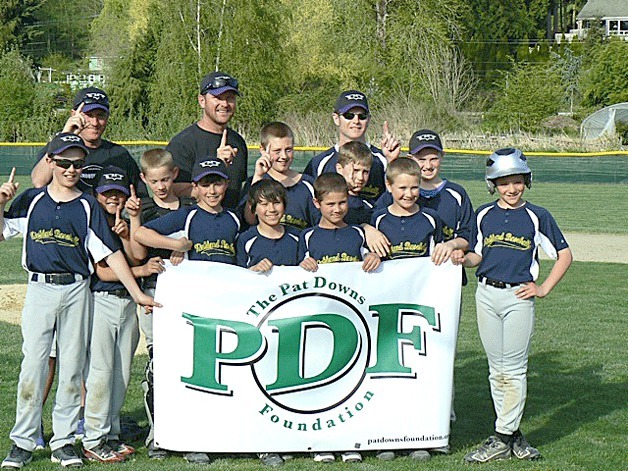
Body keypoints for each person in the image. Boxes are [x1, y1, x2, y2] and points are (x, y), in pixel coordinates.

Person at [0, 133, 158, 469]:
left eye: (78, 163)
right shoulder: (32, 200)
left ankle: (64, 442)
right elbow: (3, 232)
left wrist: (136, 292)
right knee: (33, 366)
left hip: (75, 289)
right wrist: (0, 204)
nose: (71, 169)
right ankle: (23, 442)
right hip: (40, 288)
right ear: (51, 162)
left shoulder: (87, 205)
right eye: (65, 162)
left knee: (72, 368)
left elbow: (112, 254)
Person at [452, 148, 572, 463]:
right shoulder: (482, 214)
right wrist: (463, 260)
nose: (511, 189)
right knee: (497, 371)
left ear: (526, 181)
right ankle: (513, 434)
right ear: (493, 184)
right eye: (504, 182)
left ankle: (501, 437)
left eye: (517, 181)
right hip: (486, 294)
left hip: (519, 297)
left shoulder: (537, 215)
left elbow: (564, 254)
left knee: (514, 369)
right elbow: (478, 255)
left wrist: (543, 287)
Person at [134, 156, 240, 465]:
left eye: (217, 182)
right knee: (177, 371)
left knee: (218, 373)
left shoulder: (233, 219)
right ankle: (164, 435)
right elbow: (141, 235)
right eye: (205, 183)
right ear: (194, 187)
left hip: (223, 308)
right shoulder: (188, 216)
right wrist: (174, 245)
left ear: (226, 184)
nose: (211, 190)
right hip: (189, 309)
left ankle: (214, 434)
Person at [81, 166, 165, 464]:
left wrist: (129, 231)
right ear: (98, 195)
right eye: (107, 193)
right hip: (101, 298)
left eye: (118, 192)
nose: (113, 198)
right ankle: (93, 437)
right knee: (101, 371)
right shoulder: (91, 220)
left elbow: (136, 255)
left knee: (121, 372)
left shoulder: (122, 220)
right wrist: (141, 273)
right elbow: (103, 269)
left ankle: (110, 433)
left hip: (128, 302)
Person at [297, 172, 380, 463]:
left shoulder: (357, 234)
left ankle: (349, 441)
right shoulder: (306, 237)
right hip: (317, 324)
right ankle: (323, 441)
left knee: (351, 382)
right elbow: (291, 277)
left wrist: (374, 259)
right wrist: (301, 265)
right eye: (330, 204)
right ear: (317, 203)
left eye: (343, 203)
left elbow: (372, 265)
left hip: (352, 323)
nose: (337, 209)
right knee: (320, 383)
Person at [125, 148, 194, 460]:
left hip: (189, 296)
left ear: (175, 175)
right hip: (155, 294)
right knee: (158, 366)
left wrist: (185, 248)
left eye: (166, 179)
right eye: (154, 180)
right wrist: (173, 244)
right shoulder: (146, 210)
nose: (161, 186)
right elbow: (139, 249)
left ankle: (189, 431)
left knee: (190, 365)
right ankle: (158, 433)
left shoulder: (190, 208)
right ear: (144, 179)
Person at [30, 87, 147, 197]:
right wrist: (65, 135)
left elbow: (141, 197)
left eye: (100, 116)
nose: (95, 122)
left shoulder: (119, 154)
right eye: (88, 115)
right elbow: (39, 182)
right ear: (74, 114)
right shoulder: (56, 149)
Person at [166, 71, 248, 209]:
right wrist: (217, 167)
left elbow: (237, 192)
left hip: (232, 223)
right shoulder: (182, 144)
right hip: (196, 225)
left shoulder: (237, 141)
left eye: (230, 98)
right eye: (217, 97)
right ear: (202, 101)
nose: (225, 104)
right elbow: (170, 192)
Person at [303, 90, 400, 202]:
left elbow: (397, 200)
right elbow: (309, 204)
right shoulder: (320, 163)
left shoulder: (382, 160)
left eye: (362, 116)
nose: (356, 121)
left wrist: (392, 161)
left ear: (368, 119)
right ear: (336, 118)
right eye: (349, 116)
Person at [242, 122, 319, 231]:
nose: (284, 156)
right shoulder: (256, 181)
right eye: (277, 151)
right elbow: (250, 219)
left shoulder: (308, 184)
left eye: (288, 150)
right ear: (263, 150)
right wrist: (258, 177)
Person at [237, 179, 299, 273]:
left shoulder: (297, 237)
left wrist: (306, 265)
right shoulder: (246, 239)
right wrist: (253, 270)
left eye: (276, 203)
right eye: (264, 204)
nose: (272, 209)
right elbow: (237, 276)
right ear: (253, 208)